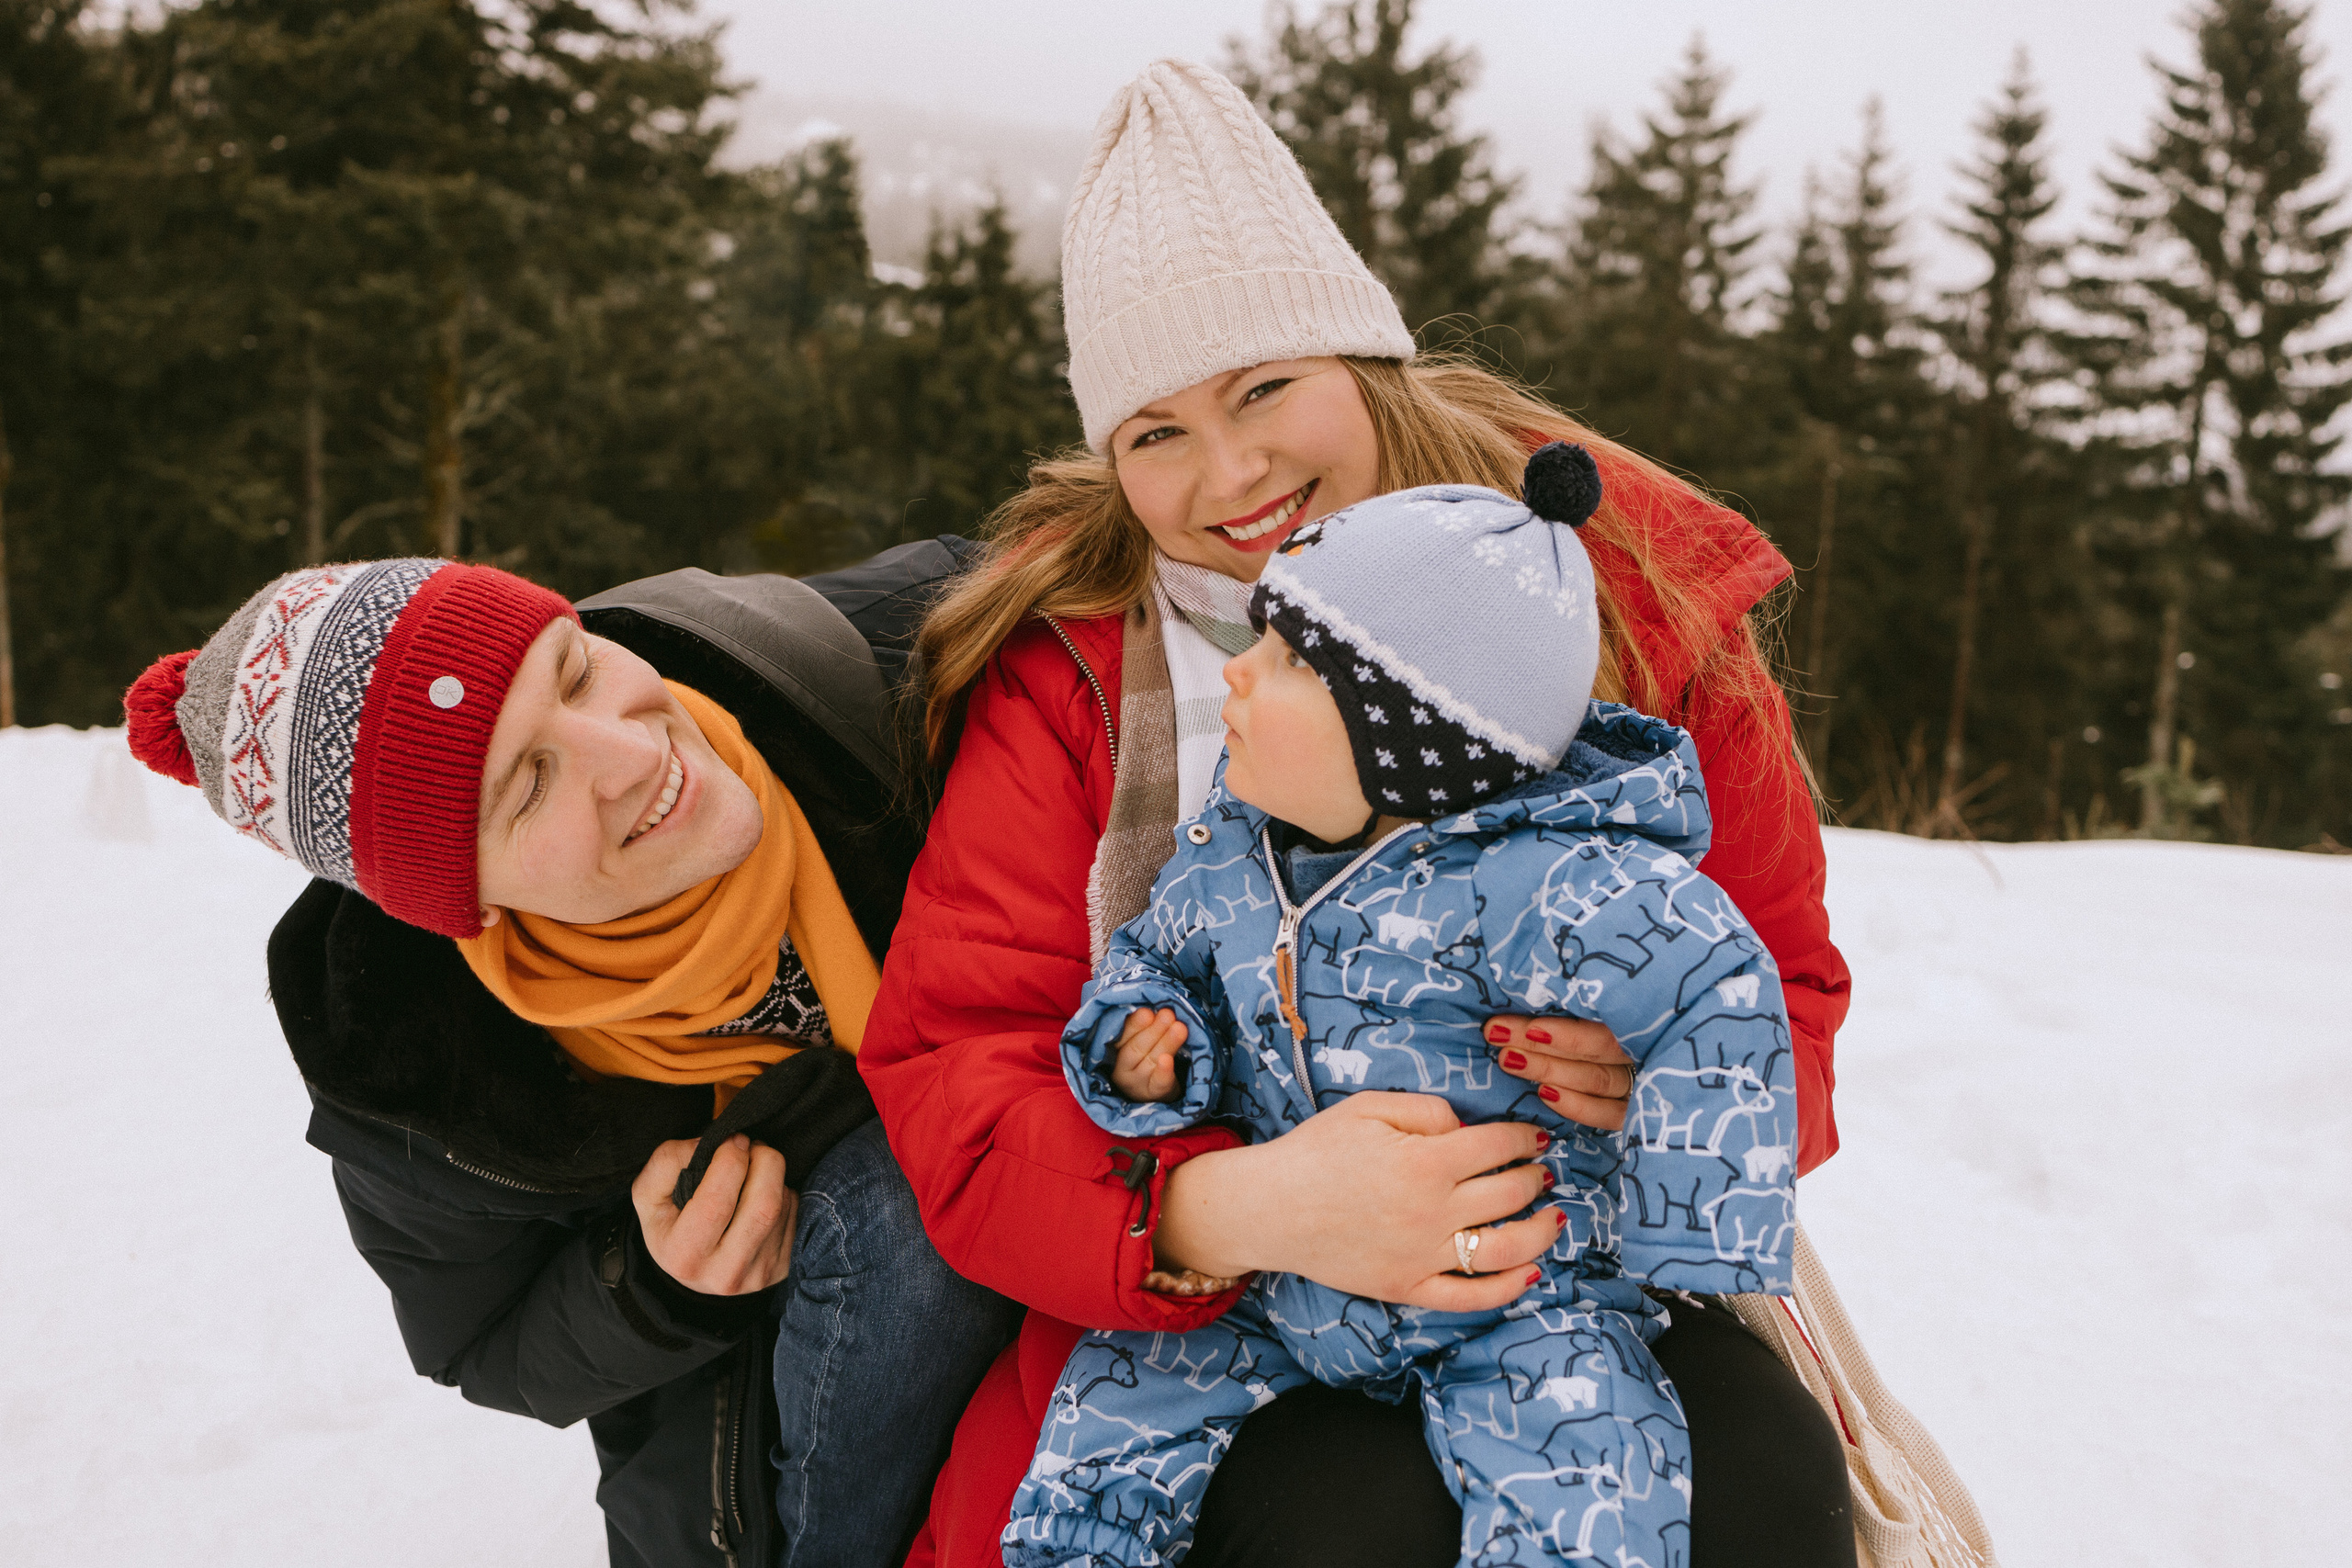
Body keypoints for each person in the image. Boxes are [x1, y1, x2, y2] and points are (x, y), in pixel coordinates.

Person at [858, 60, 1855, 1568]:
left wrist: (1643, 1080)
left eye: (1264, 387)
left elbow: (1777, 988)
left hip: (1566, 1265)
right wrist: (1228, 1203)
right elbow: (962, 1069)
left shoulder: (1605, 591)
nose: (1233, 471)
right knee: (1354, 1525)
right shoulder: (1081, 671)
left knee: (1755, 1476)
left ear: (1362, 356)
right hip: (1217, 1299)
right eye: (1156, 432)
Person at [121, 549, 1020, 1568]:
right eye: (528, 787)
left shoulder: (900, 651)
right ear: (462, 900)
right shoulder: (420, 1070)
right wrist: (655, 1288)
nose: (629, 752)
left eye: (576, 671)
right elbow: (481, 1344)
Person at [1001, 454, 1800, 1568]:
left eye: (1289, 660)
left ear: (1408, 739)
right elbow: (1155, 958)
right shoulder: (1234, 853)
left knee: (1587, 1478)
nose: (1239, 673)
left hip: (1514, 1294)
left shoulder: (1548, 883)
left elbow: (1720, 985)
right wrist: (1150, 1047)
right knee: (1108, 1422)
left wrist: (1692, 1233)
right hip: (1277, 1285)